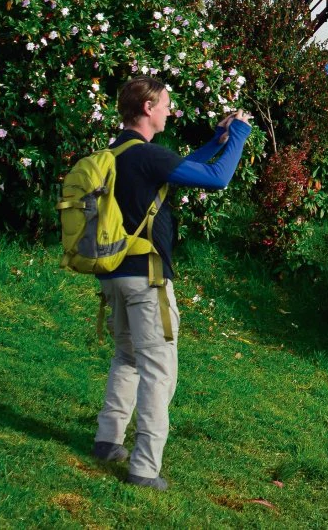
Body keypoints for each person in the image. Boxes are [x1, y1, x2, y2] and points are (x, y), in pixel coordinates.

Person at [92, 76, 254, 490]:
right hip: (147, 279)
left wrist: (216, 140)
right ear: (147, 108)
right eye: (165, 104)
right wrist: (239, 132)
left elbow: (182, 170)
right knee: (159, 370)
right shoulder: (146, 155)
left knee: (127, 358)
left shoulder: (117, 152)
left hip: (114, 275)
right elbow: (217, 179)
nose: (169, 110)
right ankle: (144, 467)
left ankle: (107, 439)